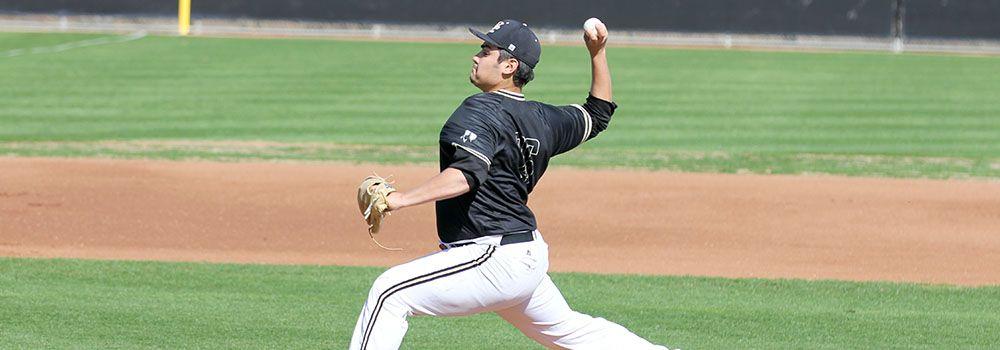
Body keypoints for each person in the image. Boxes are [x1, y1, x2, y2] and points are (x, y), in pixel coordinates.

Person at [349, 19, 668, 349]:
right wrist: (598, 52)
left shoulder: (479, 109)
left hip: (492, 255)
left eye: (487, 50)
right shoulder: (544, 118)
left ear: (509, 66)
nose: (477, 55)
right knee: (571, 331)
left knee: (389, 292)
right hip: (524, 255)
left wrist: (400, 199)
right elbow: (598, 113)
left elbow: (468, 173)